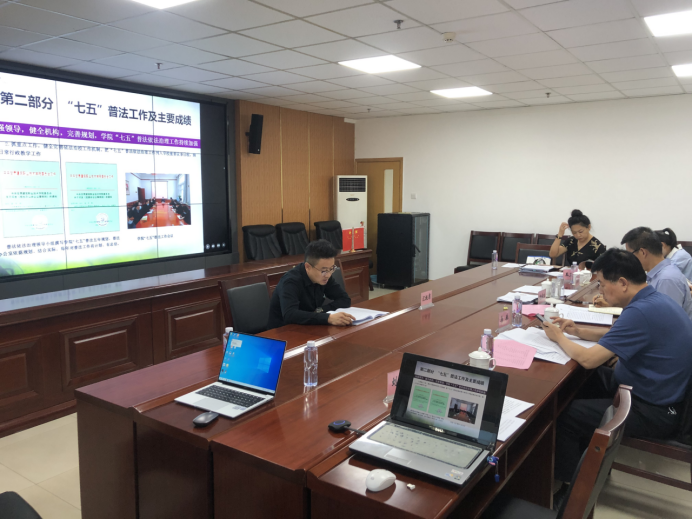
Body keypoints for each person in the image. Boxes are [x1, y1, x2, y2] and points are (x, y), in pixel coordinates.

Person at [541, 249, 691, 500]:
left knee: (567, 415)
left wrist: (558, 337)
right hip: (649, 389)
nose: (600, 290)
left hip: (655, 410)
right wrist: (577, 331)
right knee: (582, 384)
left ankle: (570, 492)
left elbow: (588, 359)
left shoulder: (640, 311)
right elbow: (617, 334)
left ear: (622, 283)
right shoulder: (652, 300)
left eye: (601, 283)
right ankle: (591, 461)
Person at [268, 240, 355, 330]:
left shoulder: (324, 276)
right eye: (324, 270)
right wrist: (327, 318)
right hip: (282, 332)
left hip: (309, 326)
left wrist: (320, 310)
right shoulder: (290, 281)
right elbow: (290, 314)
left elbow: (345, 299)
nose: (328, 275)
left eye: (331, 269)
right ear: (308, 267)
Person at [622, 227, 691, 320]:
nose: (630, 260)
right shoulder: (656, 274)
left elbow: (666, 321)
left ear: (643, 252)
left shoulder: (666, 280)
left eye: (630, 255)